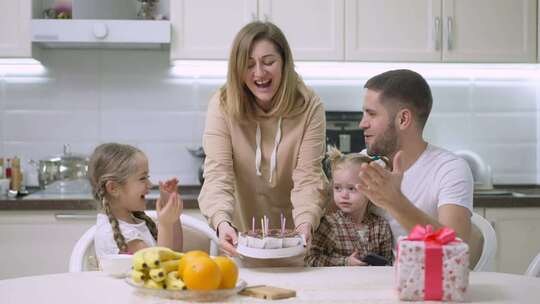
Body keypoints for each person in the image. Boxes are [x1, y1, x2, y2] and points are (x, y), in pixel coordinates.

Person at [198, 21, 328, 257]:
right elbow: (218, 173)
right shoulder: (222, 104)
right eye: (249, 65)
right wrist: (221, 222)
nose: (259, 72)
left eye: (269, 62)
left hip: (298, 240)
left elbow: (308, 177)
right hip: (241, 239)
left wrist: (305, 224)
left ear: (285, 62)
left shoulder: (309, 105)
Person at [355, 69, 474, 250]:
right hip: (366, 275)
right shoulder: (365, 163)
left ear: (403, 119)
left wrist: (394, 201)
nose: (362, 123)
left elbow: (456, 248)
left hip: (423, 277)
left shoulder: (449, 169)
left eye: (371, 114)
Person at [89, 143, 183, 259]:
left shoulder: (134, 222)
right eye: (142, 178)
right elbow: (158, 269)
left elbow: (176, 252)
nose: (150, 185)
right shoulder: (117, 235)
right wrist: (165, 225)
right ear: (113, 188)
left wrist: (172, 214)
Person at [305, 146, 393, 267]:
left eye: (351, 189)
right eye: (338, 188)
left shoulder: (381, 227)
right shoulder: (328, 224)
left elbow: (388, 264)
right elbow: (311, 259)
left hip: (371, 285)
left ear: (370, 188)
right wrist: (345, 262)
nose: (344, 195)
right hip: (338, 285)